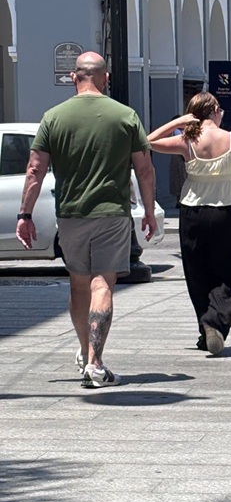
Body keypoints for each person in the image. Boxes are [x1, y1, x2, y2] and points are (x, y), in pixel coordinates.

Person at [15, 51, 156, 388]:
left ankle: (86, 352)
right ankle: (95, 362)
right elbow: (145, 169)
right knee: (102, 284)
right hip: (111, 214)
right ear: (105, 78)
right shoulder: (125, 116)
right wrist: (149, 211)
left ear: (74, 78)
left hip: (71, 214)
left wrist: (25, 214)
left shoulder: (53, 117)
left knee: (78, 284)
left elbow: (35, 170)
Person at [148, 93, 231, 355]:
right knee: (225, 274)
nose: (221, 113)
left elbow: (148, 142)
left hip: (192, 214)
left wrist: (177, 122)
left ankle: (207, 327)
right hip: (225, 214)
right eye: (219, 109)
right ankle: (214, 324)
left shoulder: (186, 141)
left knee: (197, 273)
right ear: (212, 111)